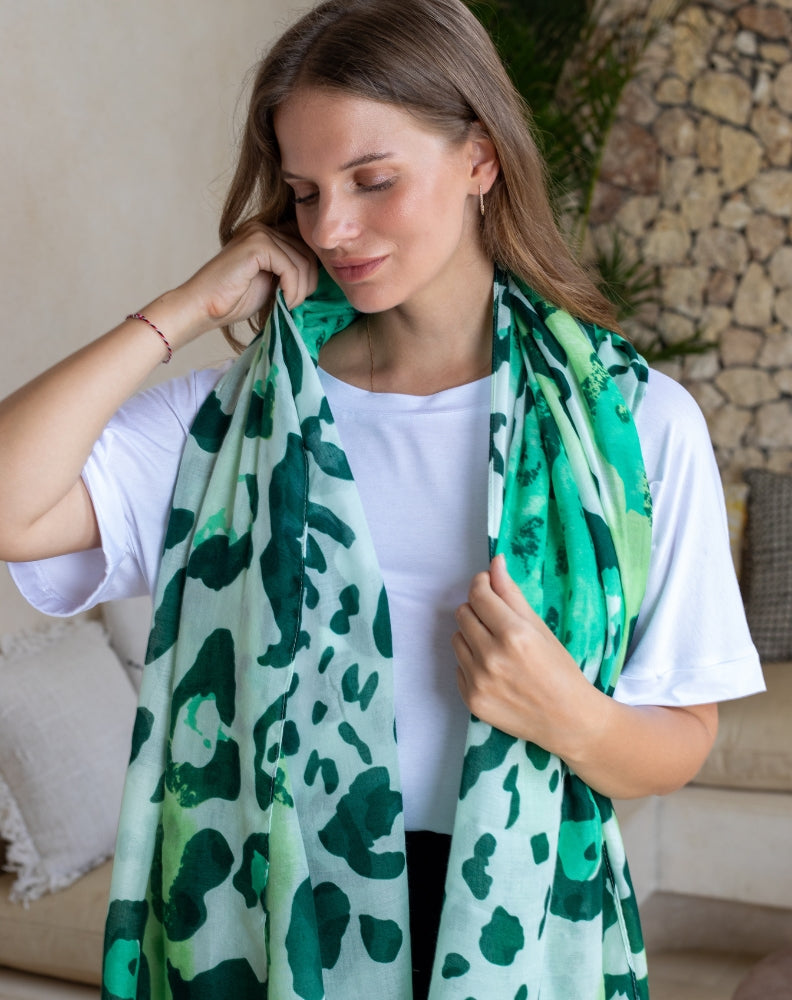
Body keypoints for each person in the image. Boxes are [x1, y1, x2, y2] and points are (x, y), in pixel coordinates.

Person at [0, 1, 763, 998]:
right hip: (274, 907)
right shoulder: (244, 419)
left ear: (480, 158)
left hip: (516, 921)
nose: (333, 228)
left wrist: (567, 714)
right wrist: (183, 311)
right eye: (306, 191)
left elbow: (680, 738)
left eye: (373, 180)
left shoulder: (631, 425)